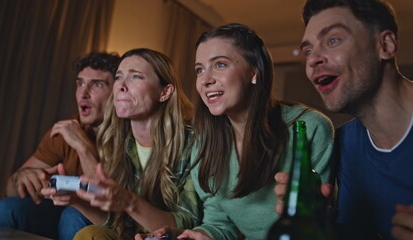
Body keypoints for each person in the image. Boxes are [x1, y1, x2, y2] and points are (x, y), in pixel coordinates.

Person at [138, 23, 334, 240]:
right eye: (199, 70)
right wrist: (194, 235)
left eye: (220, 65)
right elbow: (219, 223)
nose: (205, 80)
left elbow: (329, 220)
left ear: (253, 72)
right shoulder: (205, 142)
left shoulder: (309, 128)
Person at [275, 0, 413, 239]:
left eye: (333, 40)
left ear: (386, 45)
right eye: (308, 50)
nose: (312, 60)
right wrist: (318, 219)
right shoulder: (345, 142)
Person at [64, 48, 201, 239]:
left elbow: (188, 224)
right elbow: (118, 223)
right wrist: (74, 200)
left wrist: (129, 202)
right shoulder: (116, 139)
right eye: (119, 77)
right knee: (89, 233)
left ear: (165, 92)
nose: (121, 86)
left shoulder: (192, 144)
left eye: (136, 77)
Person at [0, 51, 120, 239]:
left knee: (73, 215)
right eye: (80, 83)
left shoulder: (129, 135)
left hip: (107, 220)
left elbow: (107, 198)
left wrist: (83, 147)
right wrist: (23, 177)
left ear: (117, 93)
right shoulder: (66, 129)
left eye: (97, 84)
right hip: (59, 213)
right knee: (7, 209)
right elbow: (10, 189)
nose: (84, 93)